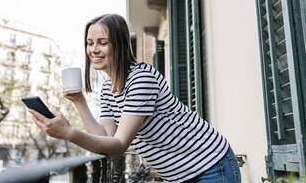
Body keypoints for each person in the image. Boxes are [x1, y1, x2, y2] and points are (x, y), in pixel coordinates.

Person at [30, 14, 241, 183]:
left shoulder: (140, 79)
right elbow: (106, 138)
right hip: (183, 175)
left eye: (102, 42)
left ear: (119, 44)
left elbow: (119, 145)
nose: (93, 50)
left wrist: (69, 133)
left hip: (211, 165)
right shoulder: (108, 88)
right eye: (90, 43)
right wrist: (79, 102)